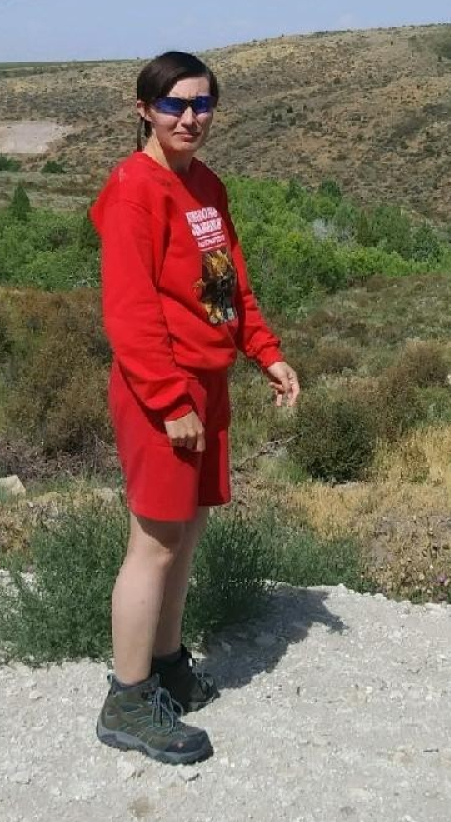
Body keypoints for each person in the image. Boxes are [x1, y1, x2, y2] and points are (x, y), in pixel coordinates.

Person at [88, 50, 300, 765]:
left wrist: (265, 352)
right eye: (175, 104)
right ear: (143, 108)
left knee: (188, 531)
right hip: (164, 391)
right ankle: (127, 697)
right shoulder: (134, 189)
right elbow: (129, 307)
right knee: (151, 543)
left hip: (206, 387)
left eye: (202, 104)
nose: (190, 117)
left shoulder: (205, 185)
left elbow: (227, 282)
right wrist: (170, 398)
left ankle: (169, 661)